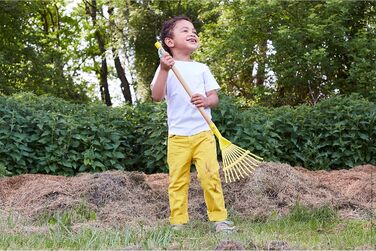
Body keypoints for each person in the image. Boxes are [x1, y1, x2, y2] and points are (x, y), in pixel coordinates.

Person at [151, 15, 235, 233]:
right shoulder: (165, 67)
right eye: (185, 30)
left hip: (203, 133)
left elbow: (214, 98)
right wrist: (163, 69)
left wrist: (205, 100)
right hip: (177, 136)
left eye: (194, 30)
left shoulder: (201, 68)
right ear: (169, 42)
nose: (192, 33)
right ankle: (178, 221)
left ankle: (220, 219)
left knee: (210, 176)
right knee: (177, 180)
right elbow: (157, 96)